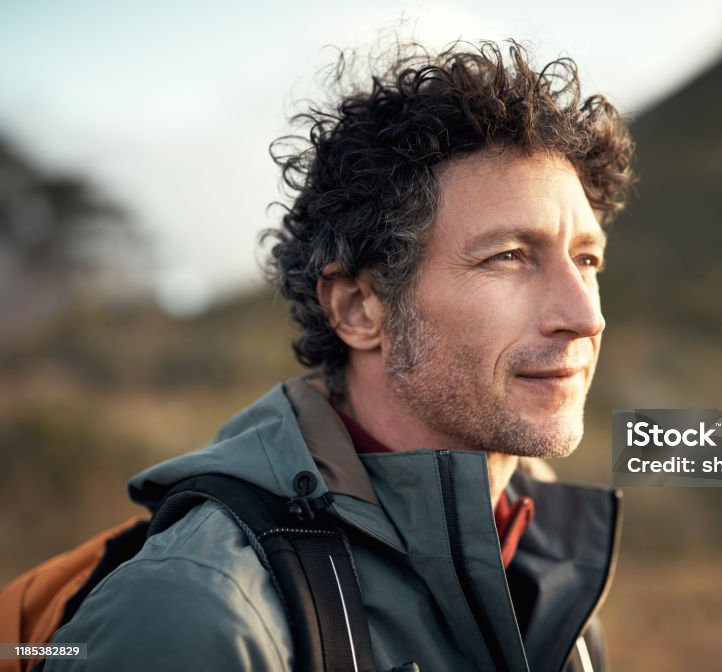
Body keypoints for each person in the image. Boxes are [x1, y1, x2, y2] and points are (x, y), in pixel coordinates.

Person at [48, 40, 635, 671]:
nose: (585, 316)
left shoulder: (541, 554)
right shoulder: (194, 615)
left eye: (586, 259)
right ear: (359, 308)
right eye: (509, 257)